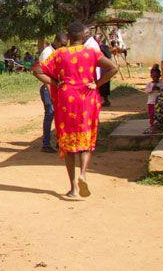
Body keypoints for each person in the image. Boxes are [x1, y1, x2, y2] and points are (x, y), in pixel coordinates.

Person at [33, 21, 118, 200]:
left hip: (66, 100)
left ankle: (73, 188)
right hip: (87, 98)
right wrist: (97, 84)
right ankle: (83, 174)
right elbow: (113, 68)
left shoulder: (60, 53)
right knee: (85, 139)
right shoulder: (92, 52)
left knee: (68, 143)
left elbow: (37, 70)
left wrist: (55, 83)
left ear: (69, 37)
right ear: (84, 36)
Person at [37, 33, 68, 153]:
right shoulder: (47, 53)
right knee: (50, 114)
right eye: (63, 45)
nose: (64, 47)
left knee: (59, 115)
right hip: (48, 88)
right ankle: (45, 144)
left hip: (56, 87)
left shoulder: (57, 52)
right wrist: (51, 93)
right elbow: (44, 75)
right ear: (57, 41)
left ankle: (59, 141)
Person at [98, 40, 114, 107]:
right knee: (102, 86)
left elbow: (109, 57)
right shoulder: (97, 47)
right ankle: (104, 101)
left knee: (105, 85)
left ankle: (106, 101)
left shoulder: (104, 47)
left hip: (104, 69)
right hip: (101, 68)